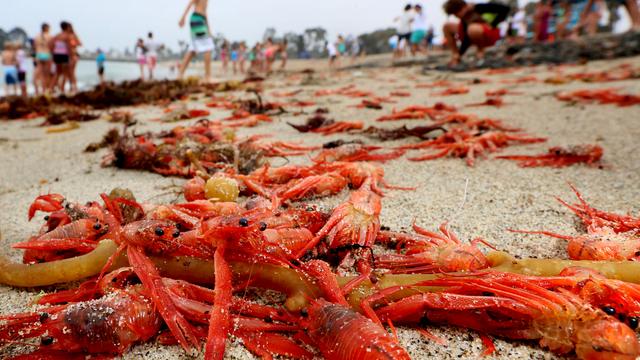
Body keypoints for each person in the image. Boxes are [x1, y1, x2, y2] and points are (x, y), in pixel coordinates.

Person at [442, 0, 510, 67]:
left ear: (462, 8)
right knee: (447, 26)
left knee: (473, 28)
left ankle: (480, 52)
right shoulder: (464, 17)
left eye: (455, 13)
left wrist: (493, 24)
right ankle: (455, 54)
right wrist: (459, 54)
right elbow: (466, 38)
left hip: (489, 34)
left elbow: (505, 9)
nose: (455, 16)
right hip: (472, 35)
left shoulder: (478, 7)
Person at [178, 0, 215, 82]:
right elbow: (190, 4)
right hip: (197, 19)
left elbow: (205, 13)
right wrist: (182, 18)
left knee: (193, 49)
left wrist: (208, 28)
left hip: (200, 19)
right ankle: (207, 76)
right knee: (208, 47)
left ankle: (180, 74)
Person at [50, 21, 73, 93]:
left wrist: (53, 52)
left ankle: (51, 88)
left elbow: (50, 44)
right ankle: (62, 88)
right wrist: (71, 55)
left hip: (56, 54)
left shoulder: (57, 35)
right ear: (67, 27)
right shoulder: (67, 36)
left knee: (57, 72)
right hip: (64, 55)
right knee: (65, 73)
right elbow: (69, 47)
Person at [34, 23, 52, 95]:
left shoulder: (37, 36)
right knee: (46, 75)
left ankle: (37, 91)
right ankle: (45, 90)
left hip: (39, 54)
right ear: (47, 28)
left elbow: (35, 47)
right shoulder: (49, 36)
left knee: (38, 74)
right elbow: (51, 47)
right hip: (47, 54)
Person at [67, 23, 82, 93]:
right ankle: (72, 87)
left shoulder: (73, 35)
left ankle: (74, 87)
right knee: (69, 73)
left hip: (73, 55)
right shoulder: (66, 36)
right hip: (69, 55)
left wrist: (73, 43)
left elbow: (80, 43)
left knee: (72, 72)